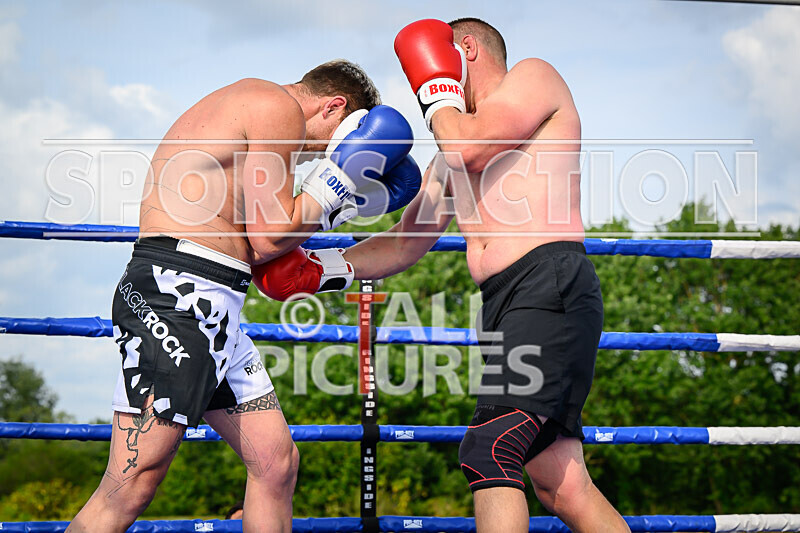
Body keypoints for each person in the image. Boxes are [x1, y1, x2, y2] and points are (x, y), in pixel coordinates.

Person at [255, 20, 630, 533]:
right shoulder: (453, 146)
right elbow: (407, 241)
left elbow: (469, 148)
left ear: (465, 50)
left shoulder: (533, 78)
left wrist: (438, 93)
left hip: (548, 284)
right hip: (508, 301)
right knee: (559, 484)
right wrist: (323, 269)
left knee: (489, 448)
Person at [67, 60, 420, 533]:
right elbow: (275, 237)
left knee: (276, 464)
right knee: (130, 483)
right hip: (182, 294)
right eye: (332, 143)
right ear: (335, 107)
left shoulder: (248, 109)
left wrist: (340, 207)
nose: (317, 156)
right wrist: (339, 182)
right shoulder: (277, 107)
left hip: (212, 302)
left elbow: (257, 244)